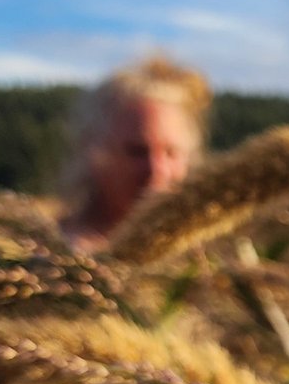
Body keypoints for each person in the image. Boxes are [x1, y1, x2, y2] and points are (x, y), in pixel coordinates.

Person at [58, 54, 210, 246]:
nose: (157, 170)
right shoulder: (49, 255)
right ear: (94, 152)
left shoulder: (204, 254)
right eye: (138, 151)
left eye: (171, 152)